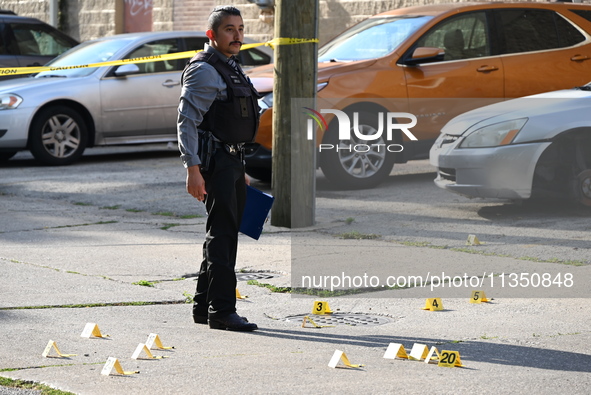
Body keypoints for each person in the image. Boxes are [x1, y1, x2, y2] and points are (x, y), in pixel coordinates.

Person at [177, 5, 260, 331]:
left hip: (232, 161)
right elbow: (187, 122)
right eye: (229, 29)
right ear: (212, 35)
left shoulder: (230, 66)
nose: (237, 35)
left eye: (240, 29)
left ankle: (204, 307)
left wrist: (241, 169)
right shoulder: (205, 70)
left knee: (221, 235)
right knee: (222, 237)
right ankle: (222, 312)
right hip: (215, 163)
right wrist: (192, 170)